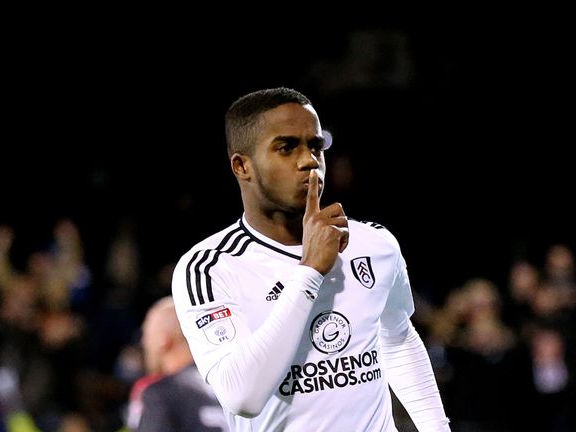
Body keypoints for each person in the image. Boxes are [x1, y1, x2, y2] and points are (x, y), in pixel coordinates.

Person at [171, 87, 450, 431]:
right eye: (287, 147)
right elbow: (242, 396)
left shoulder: (375, 244)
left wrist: (437, 428)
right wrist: (309, 271)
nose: (309, 161)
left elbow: (397, 336)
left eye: (316, 146)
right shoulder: (210, 269)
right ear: (242, 166)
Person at [134, 296, 226, 431]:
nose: (143, 341)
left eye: (147, 333)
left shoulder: (161, 395)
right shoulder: (225, 379)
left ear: (163, 340)